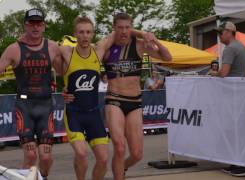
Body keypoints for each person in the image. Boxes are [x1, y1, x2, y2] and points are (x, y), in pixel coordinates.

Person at [0, 8, 61, 180]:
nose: (35, 27)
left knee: (46, 157)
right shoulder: (14, 49)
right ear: (25, 25)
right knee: (31, 155)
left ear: (44, 26)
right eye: (31, 23)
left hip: (45, 104)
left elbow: (66, 69)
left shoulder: (53, 47)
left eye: (39, 24)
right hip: (24, 106)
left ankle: (43, 177)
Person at [103, 12, 172, 180]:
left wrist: (153, 39)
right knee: (119, 147)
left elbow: (167, 57)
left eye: (127, 27)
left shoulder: (140, 45)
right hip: (114, 99)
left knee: (137, 154)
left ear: (131, 28)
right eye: (120, 27)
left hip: (134, 102)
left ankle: (122, 168)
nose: (124, 31)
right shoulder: (107, 46)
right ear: (114, 28)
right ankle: (119, 175)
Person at [59, 16, 117, 180]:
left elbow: (118, 30)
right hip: (73, 113)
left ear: (93, 34)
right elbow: (45, 47)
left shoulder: (98, 51)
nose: (85, 36)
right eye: (81, 32)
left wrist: (145, 34)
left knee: (103, 159)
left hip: (93, 114)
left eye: (88, 32)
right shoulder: (66, 52)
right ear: (75, 34)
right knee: (82, 153)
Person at [212, 21, 245, 177]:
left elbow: (224, 73)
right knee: (239, 129)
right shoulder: (241, 46)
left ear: (229, 32)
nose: (219, 36)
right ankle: (239, 162)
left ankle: (244, 164)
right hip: (242, 94)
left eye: (221, 32)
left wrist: (212, 74)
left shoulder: (230, 49)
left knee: (234, 129)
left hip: (233, 95)